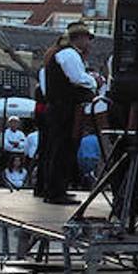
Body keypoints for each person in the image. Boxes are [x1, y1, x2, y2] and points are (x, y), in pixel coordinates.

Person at [39, 23, 98, 205]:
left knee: (61, 149)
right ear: (79, 38)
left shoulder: (66, 54)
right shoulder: (69, 54)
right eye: (87, 38)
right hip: (64, 108)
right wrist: (93, 81)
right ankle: (56, 191)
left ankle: (56, 188)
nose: (89, 43)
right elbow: (77, 78)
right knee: (62, 149)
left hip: (61, 107)